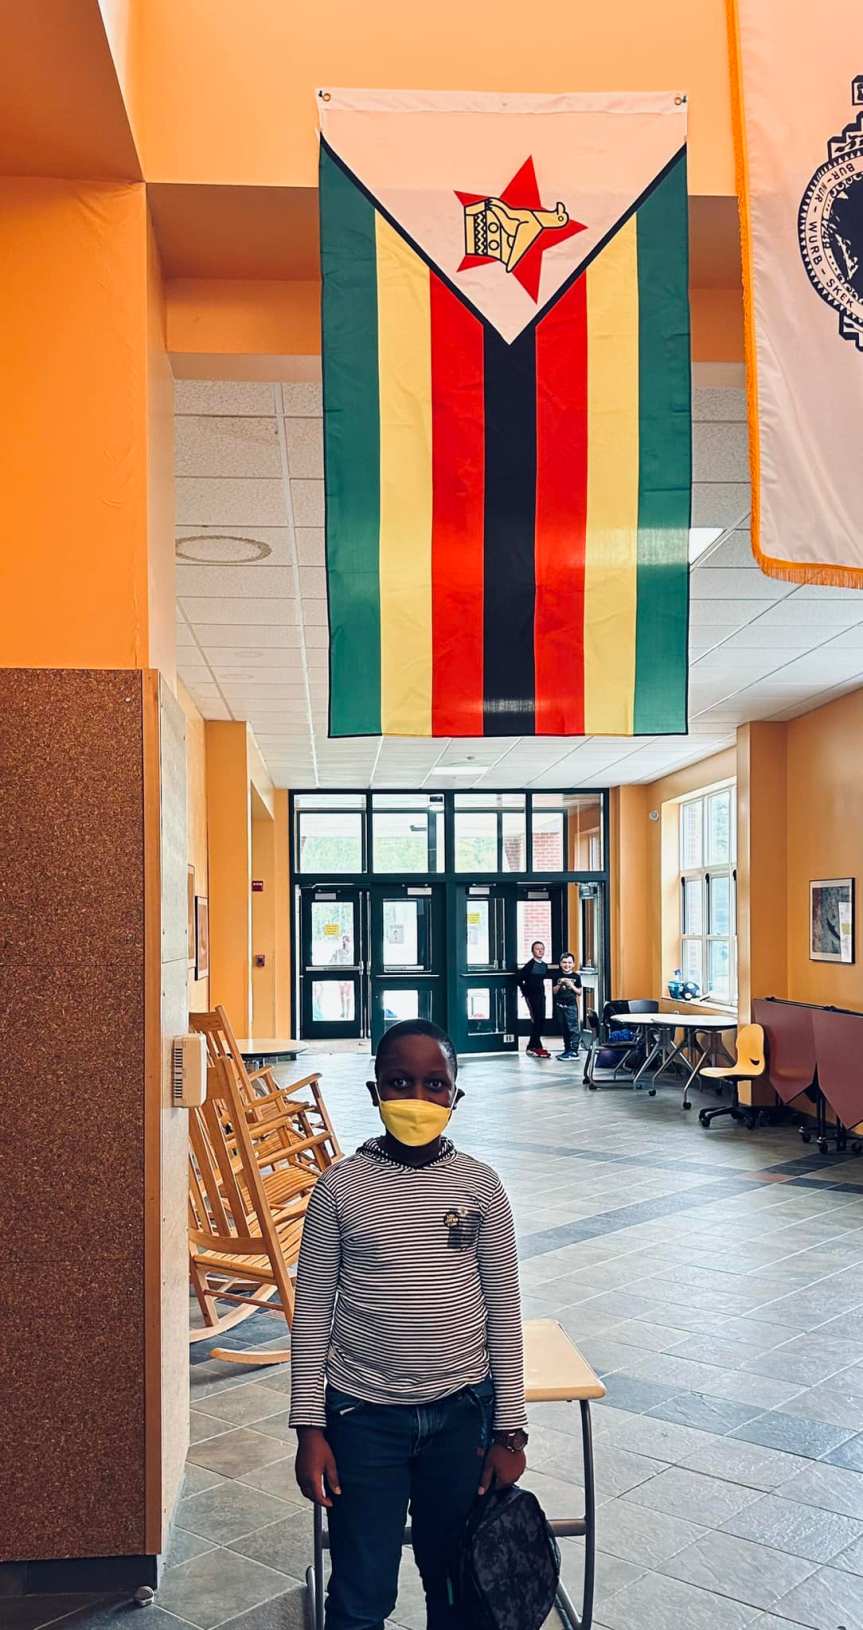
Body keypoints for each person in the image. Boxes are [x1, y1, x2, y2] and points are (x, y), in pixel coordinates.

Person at [289, 1018, 528, 1630]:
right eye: (399, 1082)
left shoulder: (481, 1186)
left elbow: (503, 1312)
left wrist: (511, 1433)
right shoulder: (340, 1186)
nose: (416, 1099)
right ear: (374, 1092)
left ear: (455, 1096)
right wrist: (308, 1429)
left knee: (455, 1582)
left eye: (434, 1084)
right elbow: (313, 1311)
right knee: (362, 1589)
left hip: (460, 1417)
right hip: (362, 1421)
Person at [518, 939, 551, 1058]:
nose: (540, 951)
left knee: (541, 1020)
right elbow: (519, 978)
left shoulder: (544, 965)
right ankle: (533, 1046)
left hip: (541, 995)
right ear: (532, 951)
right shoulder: (530, 965)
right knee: (536, 1019)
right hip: (532, 996)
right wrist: (525, 991)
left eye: (542, 949)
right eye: (537, 949)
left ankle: (535, 1045)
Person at [553, 951, 582, 1061]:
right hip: (560, 1005)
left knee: (573, 1028)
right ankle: (567, 1049)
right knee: (564, 1028)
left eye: (569, 963)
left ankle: (574, 1051)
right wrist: (560, 984)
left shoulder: (576, 977)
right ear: (560, 963)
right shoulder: (557, 976)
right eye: (564, 962)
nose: (567, 965)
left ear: (573, 964)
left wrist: (571, 985)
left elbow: (579, 992)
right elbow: (554, 991)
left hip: (571, 1006)